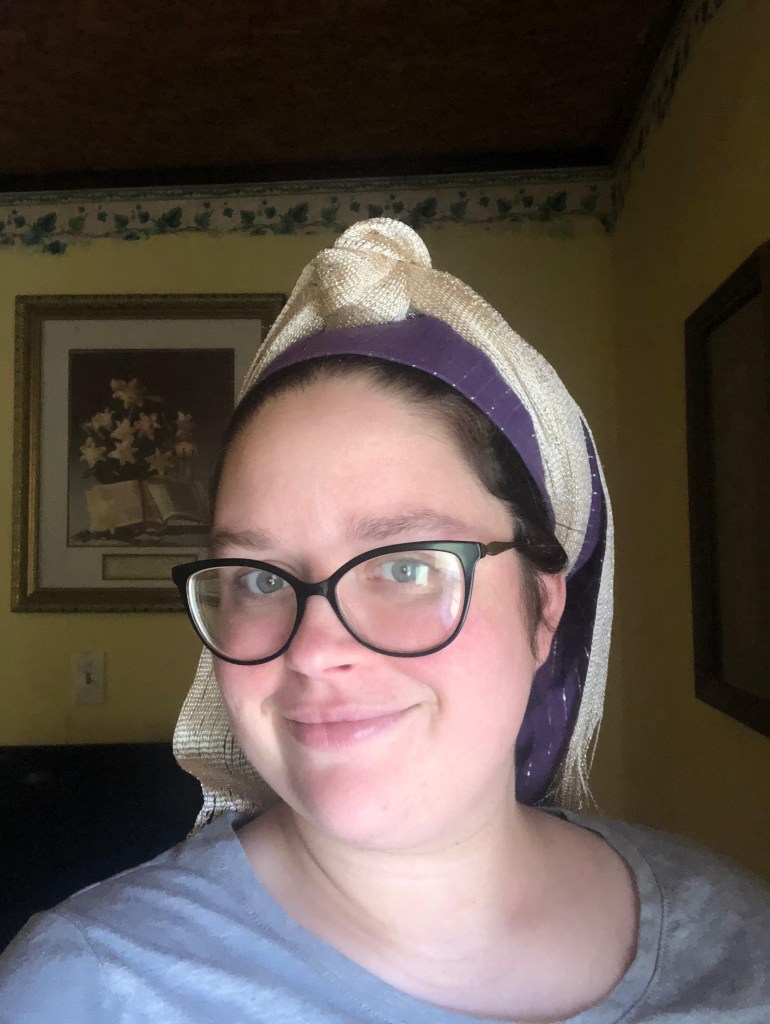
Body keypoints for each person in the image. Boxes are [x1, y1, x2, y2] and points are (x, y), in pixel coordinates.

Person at [1, 219, 768, 1022]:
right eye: (259, 579)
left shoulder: (743, 946)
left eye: (403, 568)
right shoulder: (85, 992)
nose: (315, 651)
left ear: (543, 607)